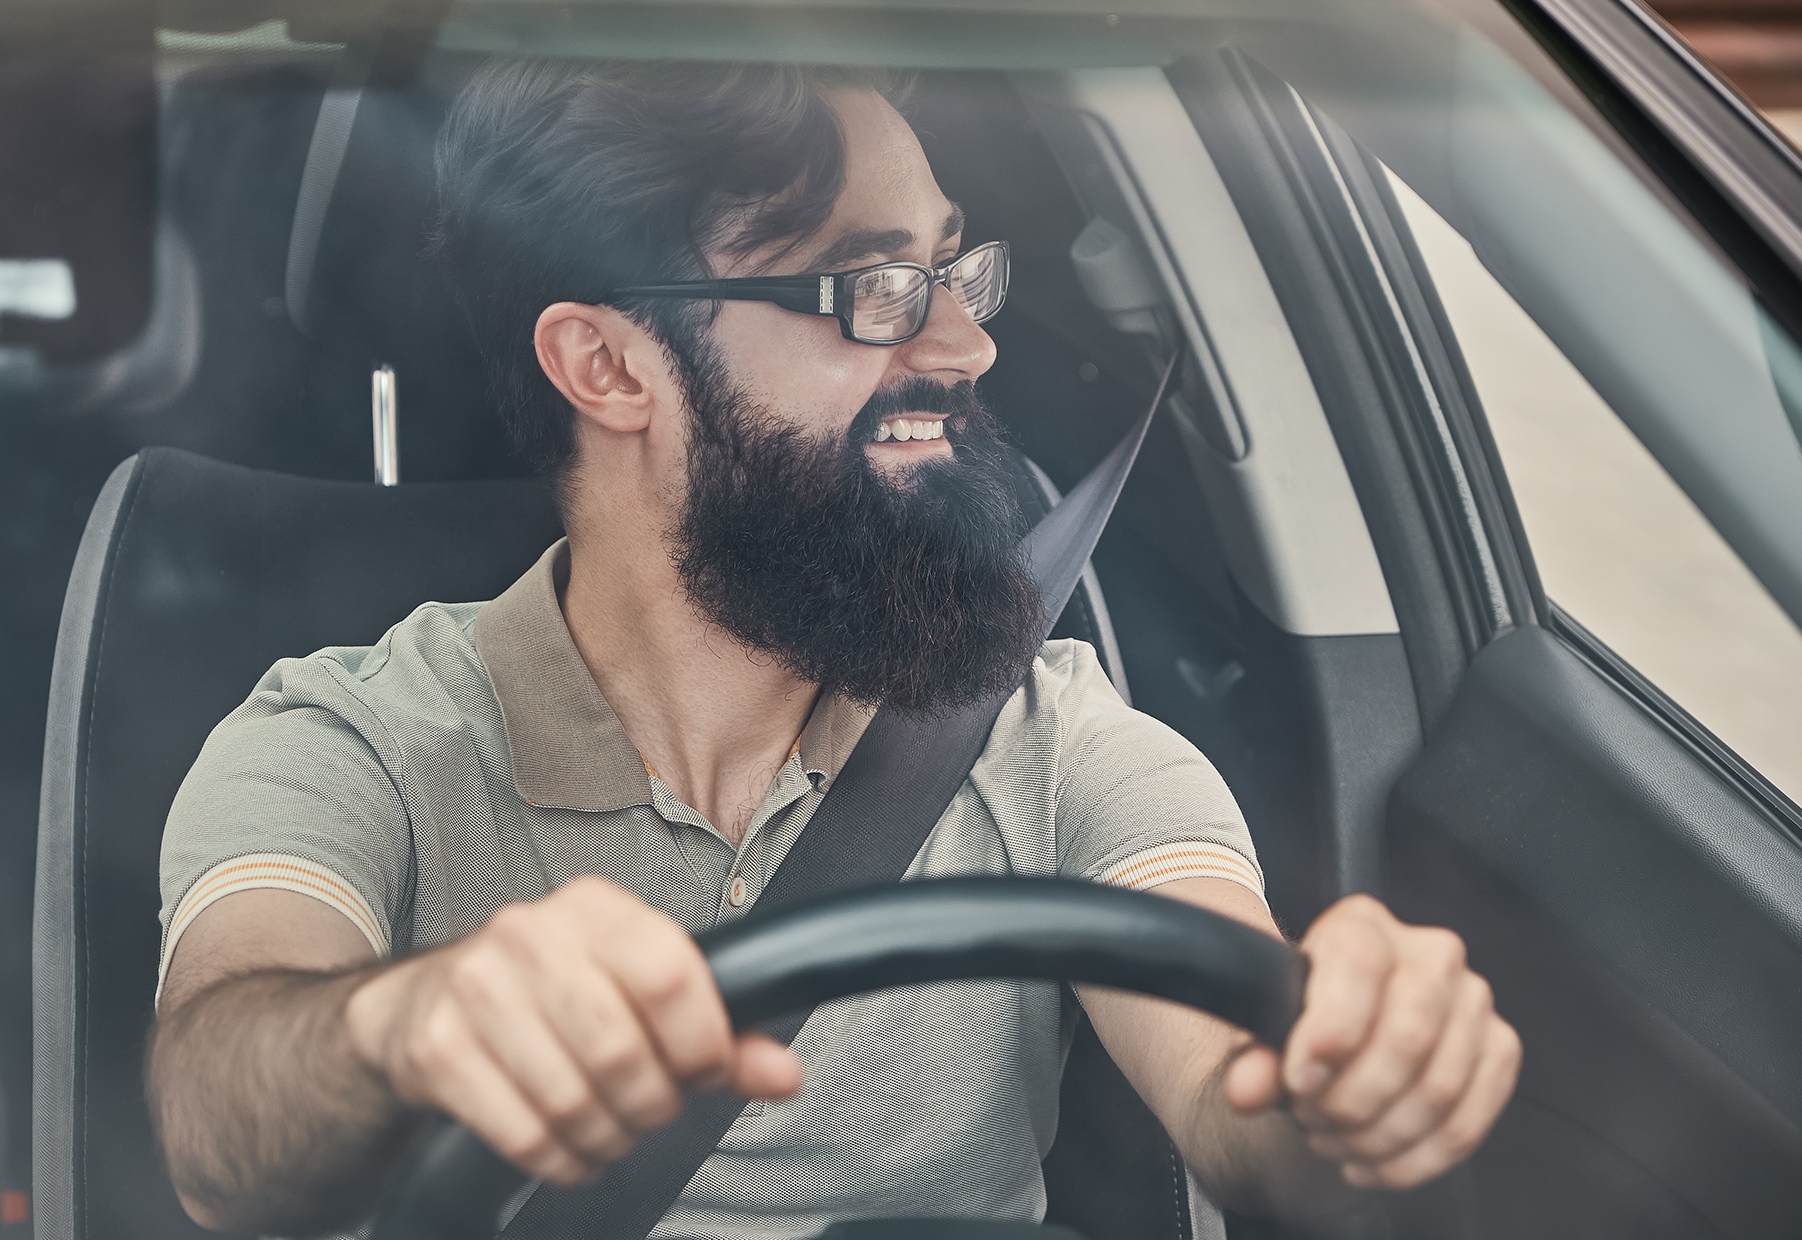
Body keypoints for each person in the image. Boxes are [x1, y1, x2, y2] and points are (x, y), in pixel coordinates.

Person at [146, 58, 1521, 1239]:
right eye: (870, 285)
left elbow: (1236, 1085)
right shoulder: (353, 743)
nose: (967, 343)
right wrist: (407, 1025)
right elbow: (222, 1118)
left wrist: (1346, 1081)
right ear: (610, 368)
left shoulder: (1053, 737)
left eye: (951, 267)